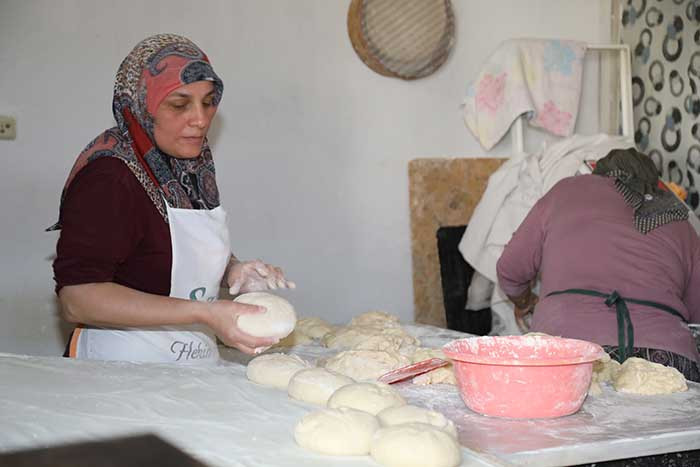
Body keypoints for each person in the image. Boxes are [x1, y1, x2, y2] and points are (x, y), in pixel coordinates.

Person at [50, 33, 294, 364]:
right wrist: (204, 313)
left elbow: (167, 249)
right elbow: (78, 298)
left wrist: (232, 270)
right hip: (116, 375)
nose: (201, 119)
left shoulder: (188, 163)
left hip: (189, 365)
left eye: (208, 101)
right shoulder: (110, 176)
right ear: (141, 106)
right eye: (180, 104)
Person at [496, 148, 700, 382]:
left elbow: (510, 268)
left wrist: (524, 300)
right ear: (654, 183)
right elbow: (697, 312)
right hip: (666, 360)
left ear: (598, 171)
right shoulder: (677, 217)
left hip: (567, 352)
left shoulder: (566, 191)